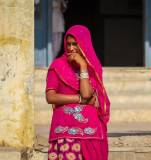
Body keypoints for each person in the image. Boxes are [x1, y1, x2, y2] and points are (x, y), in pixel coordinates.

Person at [46, 25, 110, 160]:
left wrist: (83, 65)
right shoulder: (57, 66)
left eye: (75, 44)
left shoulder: (92, 67)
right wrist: (79, 99)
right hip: (65, 125)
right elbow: (50, 97)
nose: (71, 48)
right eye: (68, 44)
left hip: (89, 127)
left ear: (84, 44)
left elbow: (86, 94)